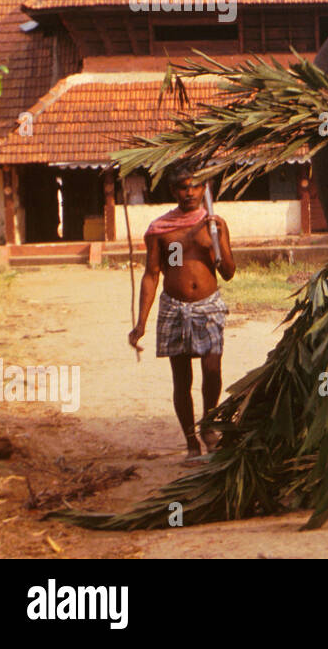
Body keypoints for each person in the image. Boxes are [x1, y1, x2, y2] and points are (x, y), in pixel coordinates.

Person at [127, 160, 235, 461]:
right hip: (174, 309)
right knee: (181, 380)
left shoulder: (214, 224)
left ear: (205, 188)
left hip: (208, 308)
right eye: (183, 187)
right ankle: (190, 443)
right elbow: (153, 274)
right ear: (174, 190)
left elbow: (228, 272)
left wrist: (218, 242)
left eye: (196, 186)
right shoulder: (162, 230)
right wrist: (141, 322)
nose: (190, 192)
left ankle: (209, 427)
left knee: (213, 372)